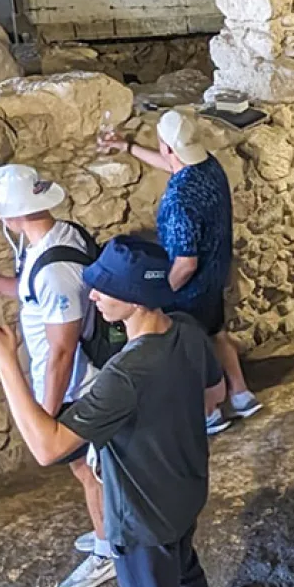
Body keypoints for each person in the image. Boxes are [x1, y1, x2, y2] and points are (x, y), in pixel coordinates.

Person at [0, 235, 249, 587]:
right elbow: (213, 394)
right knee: (185, 575)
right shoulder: (187, 331)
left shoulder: (124, 374)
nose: (93, 298)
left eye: (103, 290)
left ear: (137, 298)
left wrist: (5, 364)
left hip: (142, 516)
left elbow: (46, 447)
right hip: (185, 491)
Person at [0, 164, 112, 587]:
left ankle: (108, 549)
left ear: (12, 215)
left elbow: (63, 349)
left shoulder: (51, 270)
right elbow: (39, 295)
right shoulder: (57, 237)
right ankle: (110, 529)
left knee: (90, 471)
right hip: (71, 379)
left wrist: (46, 414)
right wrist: (3, 285)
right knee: (88, 468)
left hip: (76, 386)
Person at [98, 109, 259, 434]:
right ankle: (241, 394)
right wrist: (127, 147)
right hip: (216, 273)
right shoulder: (208, 166)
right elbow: (172, 163)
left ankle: (209, 412)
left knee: (187, 350)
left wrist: (159, 294)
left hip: (189, 288)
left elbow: (185, 263)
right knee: (217, 333)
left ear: (167, 145)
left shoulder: (179, 198)